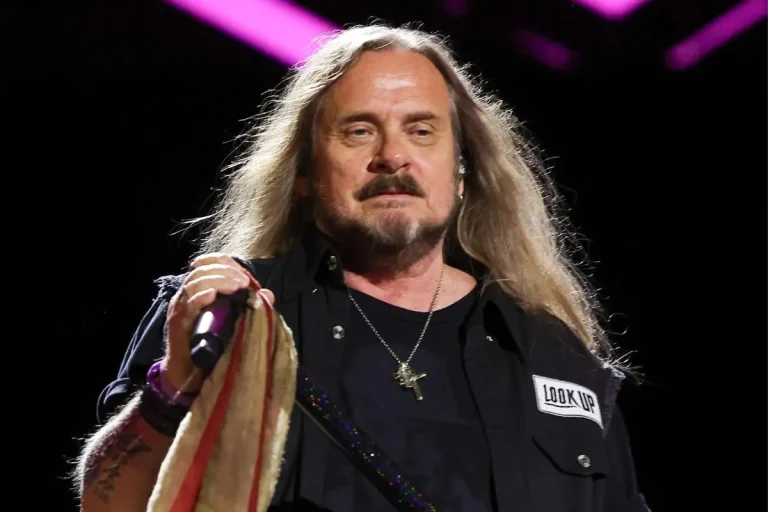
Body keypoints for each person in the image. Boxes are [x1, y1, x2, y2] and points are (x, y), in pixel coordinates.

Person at [71, 23, 650, 511]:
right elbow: (103, 501)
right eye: (358, 131)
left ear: (462, 171)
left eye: (421, 131)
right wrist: (172, 384)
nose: (392, 156)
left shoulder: (554, 355)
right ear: (304, 175)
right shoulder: (229, 314)